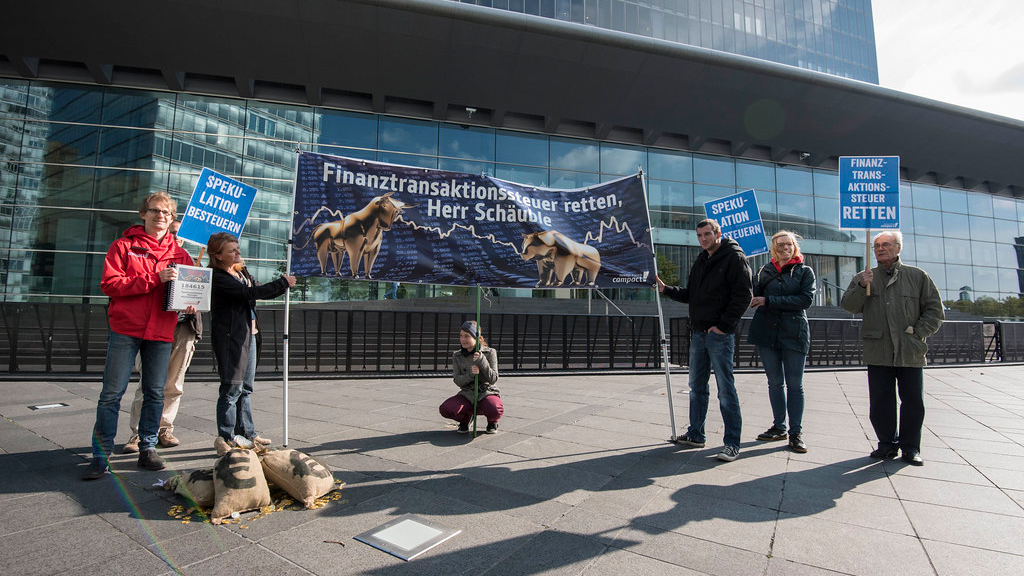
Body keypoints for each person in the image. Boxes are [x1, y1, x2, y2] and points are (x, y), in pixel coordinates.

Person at [82, 192, 195, 480]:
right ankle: (101, 454)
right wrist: (153, 279)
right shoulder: (123, 246)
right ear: (143, 214)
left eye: (166, 213)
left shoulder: (181, 255)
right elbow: (110, 285)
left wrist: (192, 303)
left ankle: (147, 447)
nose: (160, 216)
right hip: (126, 329)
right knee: (111, 394)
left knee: (155, 393)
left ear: (171, 220)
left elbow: (187, 292)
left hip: (160, 331)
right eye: (155, 211)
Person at [841, 230, 943, 466]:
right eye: (876, 245)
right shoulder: (864, 276)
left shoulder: (918, 276)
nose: (880, 249)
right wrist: (860, 285)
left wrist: (918, 333)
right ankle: (886, 444)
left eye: (886, 244)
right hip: (878, 349)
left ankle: (910, 447)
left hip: (909, 349)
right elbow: (850, 306)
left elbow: (935, 310)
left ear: (898, 248)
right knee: (880, 401)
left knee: (913, 401)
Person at [657, 218, 752, 462]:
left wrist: (722, 326)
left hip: (719, 334)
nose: (703, 239)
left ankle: (732, 443)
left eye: (707, 234)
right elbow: (692, 295)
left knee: (725, 390)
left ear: (718, 233)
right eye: (699, 235)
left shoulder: (734, 258)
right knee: (696, 387)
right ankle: (696, 434)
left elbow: (743, 296)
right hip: (698, 332)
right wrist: (666, 289)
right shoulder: (702, 260)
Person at [207, 232, 296, 448]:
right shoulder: (217, 277)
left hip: (250, 335)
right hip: (231, 338)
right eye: (232, 250)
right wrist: (282, 282)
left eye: (237, 248)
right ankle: (227, 437)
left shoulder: (241, 271)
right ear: (218, 256)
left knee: (246, 388)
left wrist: (282, 284)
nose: (238, 252)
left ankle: (247, 432)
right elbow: (249, 293)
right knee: (231, 388)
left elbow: (259, 290)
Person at [123, 219, 202, 453]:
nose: (176, 236)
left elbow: (197, 293)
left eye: (180, 233)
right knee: (147, 383)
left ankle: (164, 428)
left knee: (174, 384)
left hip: (182, 328)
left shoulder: (188, 260)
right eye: (172, 231)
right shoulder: (151, 257)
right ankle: (138, 433)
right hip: (153, 328)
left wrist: (193, 304)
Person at [747, 231, 815, 453]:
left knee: (795, 384)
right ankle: (779, 427)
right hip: (766, 332)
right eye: (780, 245)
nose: (785, 248)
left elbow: (805, 300)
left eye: (788, 244)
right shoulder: (763, 271)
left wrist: (769, 301)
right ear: (773, 249)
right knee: (774, 382)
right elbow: (754, 296)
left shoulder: (805, 271)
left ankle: (795, 433)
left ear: (795, 246)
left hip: (794, 332)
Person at [439, 320, 502, 434]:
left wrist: (482, 361)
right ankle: (465, 419)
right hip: (467, 394)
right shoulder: (457, 355)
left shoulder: (490, 353)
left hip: (486, 392)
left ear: (476, 338)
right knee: (446, 408)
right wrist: (470, 374)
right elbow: (457, 380)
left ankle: (492, 421)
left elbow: (493, 378)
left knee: (494, 408)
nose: (463, 339)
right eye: (461, 336)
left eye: (467, 336)